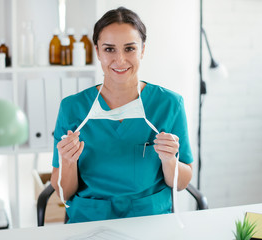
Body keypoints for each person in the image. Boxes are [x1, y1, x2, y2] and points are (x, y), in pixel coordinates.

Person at [51, 6, 193, 223]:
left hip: (150, 221)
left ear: (143, 50)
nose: (120, 60)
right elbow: (64, 193)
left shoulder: (169, 104)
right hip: (90, 221)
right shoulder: (73, 108)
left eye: (129, 49)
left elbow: (182, 183)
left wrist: (169, 161)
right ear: (97, 51)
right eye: (109, 49)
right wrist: (69, 163)